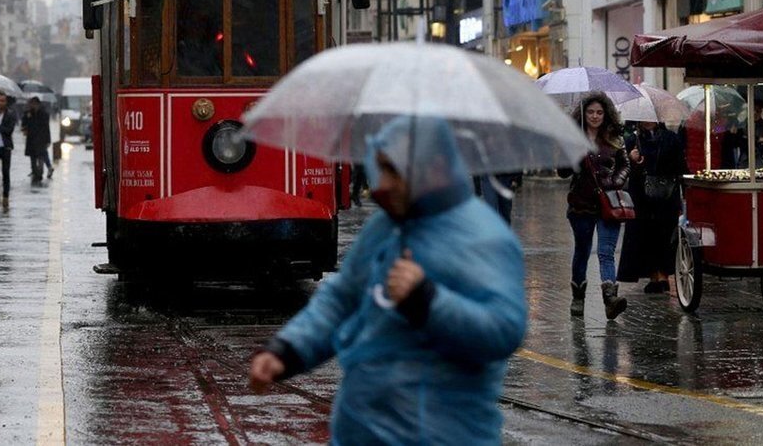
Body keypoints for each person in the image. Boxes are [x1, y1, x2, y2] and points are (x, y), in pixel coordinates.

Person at [248, 116, 527, 443]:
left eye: (394, 170)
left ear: (434, 168)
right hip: (361, 430)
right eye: (380, 168)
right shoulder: (385, 227)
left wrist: (427, 301)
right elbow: (342, 298)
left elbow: (503, 330)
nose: (383, 183)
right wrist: (287, 351)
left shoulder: (484, 237)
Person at [560, 93, 630, 320]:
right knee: (582, 250)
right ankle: (578, 297)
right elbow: (562, 172)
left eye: (599, 112)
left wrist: (616, 181)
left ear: (606, 114)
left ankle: (610, 299)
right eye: (590, 112)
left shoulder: (614, 138)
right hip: (581, 204)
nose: (595, 116)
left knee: (606, 252)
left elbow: (624, 165)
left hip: (609, 203)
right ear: (584, 113)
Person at [619, 121, 686, 293]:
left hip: (666, 195)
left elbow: (680, 166)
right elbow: (623, 169)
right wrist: (632, 159)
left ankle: (663, 275)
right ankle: (653, 275)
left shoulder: (671, 138)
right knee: (645, 234)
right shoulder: (632, 140)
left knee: (664, 234)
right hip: (641, 198)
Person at [22, 96, 53, 183]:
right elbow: (24, 124)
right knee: (32, 156)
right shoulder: (28, 113)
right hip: (31, 138)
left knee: (41, 155)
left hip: (41, 139)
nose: (33, 106)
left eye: (35, 104)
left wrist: (48, 140)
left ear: (38, 104)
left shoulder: (44, 114)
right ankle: (35, 171)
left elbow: (47, 128)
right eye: (32, 104)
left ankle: (40, 172)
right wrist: (25, 127)